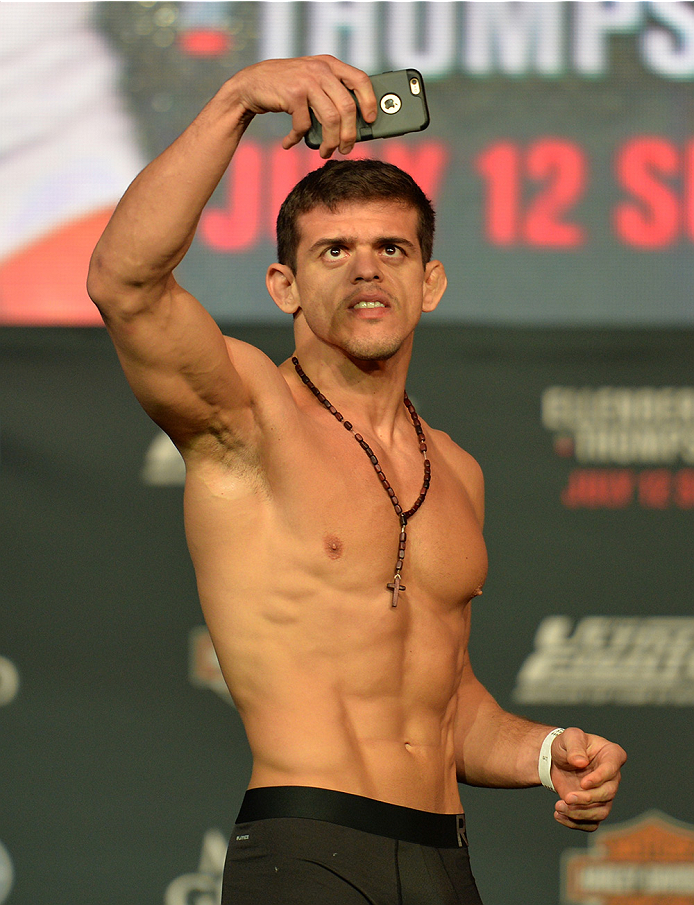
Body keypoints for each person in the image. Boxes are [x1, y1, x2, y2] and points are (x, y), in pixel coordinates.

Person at [87, 55, 626, 905]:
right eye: (334, 250)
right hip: (308, 850)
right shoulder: (249, 419)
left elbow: (448, 702)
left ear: (430, 281)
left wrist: (545, 747)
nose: (367, 268)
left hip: (447, 863)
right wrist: (236, 102)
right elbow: (125, 283)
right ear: (285, 285)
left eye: (392, 248)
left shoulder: (456, 469)